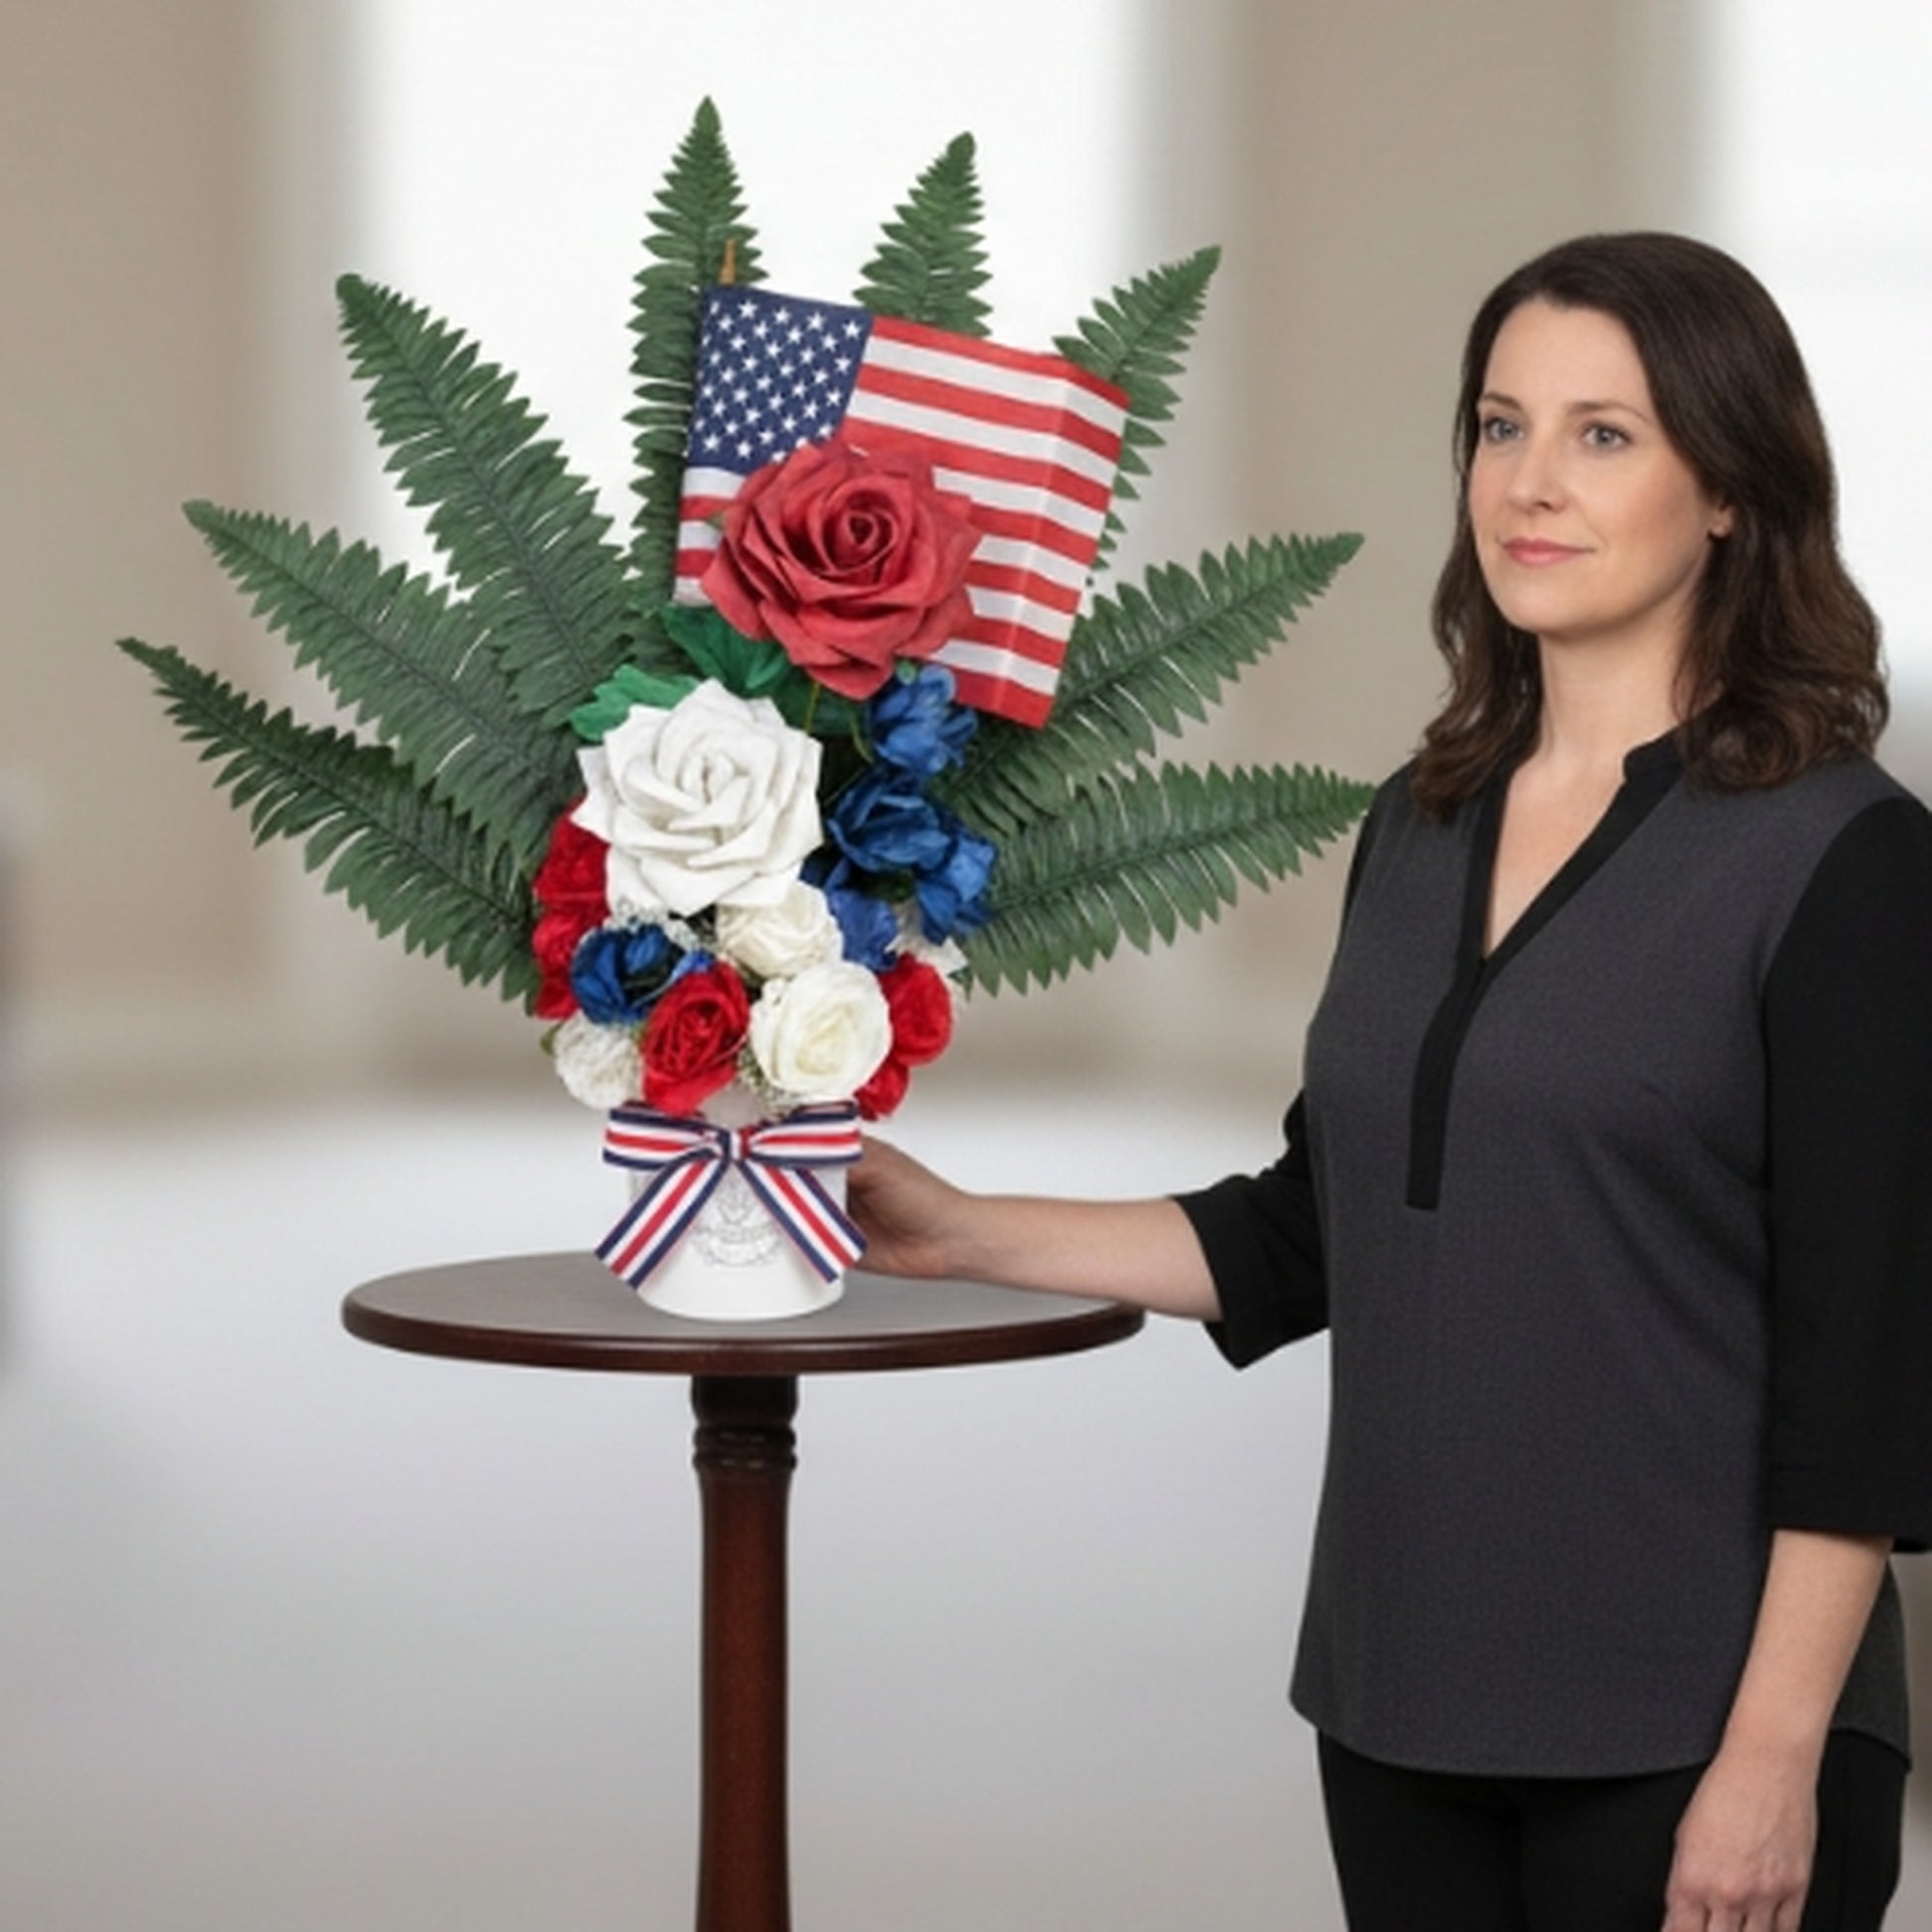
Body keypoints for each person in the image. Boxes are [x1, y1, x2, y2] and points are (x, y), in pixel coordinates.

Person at [849, 232, 1932, 1932]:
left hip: (1690, 1726)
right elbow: (1317, 1227)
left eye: (1602, 434)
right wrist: (956, 1229)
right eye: (1499, 427)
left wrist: (1772, 1755)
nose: (1529, 485)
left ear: (1728, 486)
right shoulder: (1417, 822)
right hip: (1400, 1694)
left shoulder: (1845, 859)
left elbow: (1868, 1366)